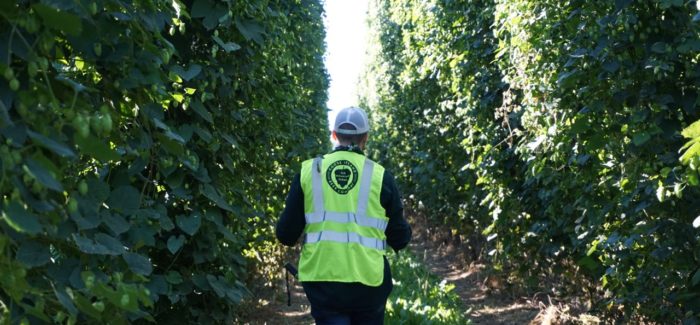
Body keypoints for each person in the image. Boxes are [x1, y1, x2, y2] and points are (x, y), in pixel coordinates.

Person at [276, 106, 412, 325]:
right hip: (369, 283)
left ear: (334, 135)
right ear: (365, 137)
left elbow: (285, 234)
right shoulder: (381, 176)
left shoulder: (309, 172)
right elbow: (400, 238)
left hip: (323, 282)